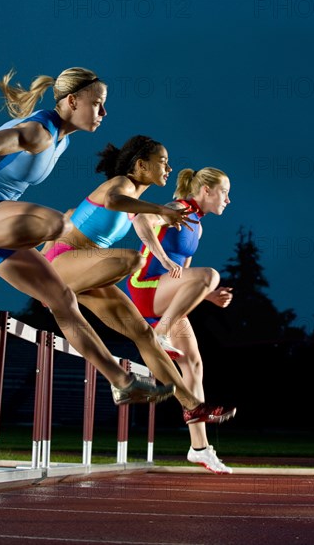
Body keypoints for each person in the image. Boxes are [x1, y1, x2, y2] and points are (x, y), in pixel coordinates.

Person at [0, 66, 189, 406]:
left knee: (64, 301)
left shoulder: (62, 141)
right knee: (58, 224)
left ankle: (121, 382)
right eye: (97, 103)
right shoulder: (41, 131)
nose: (104, 112)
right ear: (72, 101)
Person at [41, 136, 236, 425]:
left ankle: (192, 407)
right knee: (133, 259)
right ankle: (57, 297)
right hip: (62, 262)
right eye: (162, 162)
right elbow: (111, 200)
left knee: (144, 334)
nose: (169, 168)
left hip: (85, 271)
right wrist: (160, 211)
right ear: (141, 165)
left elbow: (98, 215)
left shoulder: (136, 203)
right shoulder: (121, 185)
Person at [126, 166, 235, 473]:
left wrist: (210, 295)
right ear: (207, 191)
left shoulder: (197, 227)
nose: (228, 200)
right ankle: (160, 333)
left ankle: (199, 448)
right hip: (145, 287)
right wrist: (160, 258)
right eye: (225, 192)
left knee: (194, 364)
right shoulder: (180, 208)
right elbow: (142, 219)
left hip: (165, 296)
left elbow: (187, 277)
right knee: (210, 274)